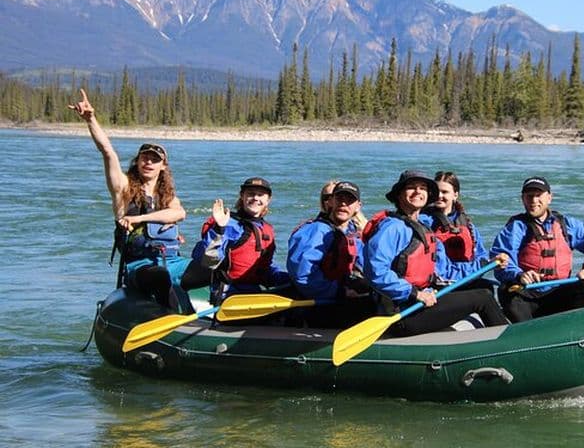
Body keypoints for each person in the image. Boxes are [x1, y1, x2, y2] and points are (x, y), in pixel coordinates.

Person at [68, 88, 208, 312]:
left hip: (174, 262)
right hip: (139, 266)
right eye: (145, 158)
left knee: (214, 270)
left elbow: (179, 213)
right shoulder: (122, 188)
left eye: (155, 160)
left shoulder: (168, 196)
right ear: (138, 161)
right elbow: (108, 152)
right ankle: (171, 317)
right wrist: (91, 119)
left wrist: (140, 219)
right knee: (159, 276)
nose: (149, 163)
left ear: (163, 166)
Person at [362, 170, 509, 336]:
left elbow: (446, 271)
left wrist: (486, 264)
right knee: (482, 298)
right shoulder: (392, 227)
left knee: (485, 290)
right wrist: (414, 293)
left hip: (419, 303)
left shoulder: (424, 230)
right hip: (399, 313)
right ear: (399, 194)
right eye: (411, 187)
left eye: (423, 188)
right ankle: (512, 344)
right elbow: (375, 271)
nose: (418, 192)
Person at [490, 176, 584, 322]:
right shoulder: (516, 227)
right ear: (522, 199)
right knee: (506, 290)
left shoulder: (566, 225)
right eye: (529, 196)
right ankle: (527, 334)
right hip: (527, 295)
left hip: (558, 294)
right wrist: (518, 275)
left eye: (538, 195)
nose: (534, 200)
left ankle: (573, 329)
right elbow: (501, 260)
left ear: (549, 198)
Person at [192, 177, 290, 305]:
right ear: (242, 196)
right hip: (228, 294)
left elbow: (266, 270)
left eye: (260, 195)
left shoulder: (266, 229)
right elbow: (208, 262)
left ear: (268, 200)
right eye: (251, 194)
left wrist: (291, 279)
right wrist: (219, 230)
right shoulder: (228, 223)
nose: (255, 198)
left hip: (253, 292)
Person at [287, 181, 373, 328]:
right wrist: (339, 292)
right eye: (340, 199)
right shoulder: (316, 231)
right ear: (331, 201)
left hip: (338, 293)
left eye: (349, 200)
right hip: (318, 302)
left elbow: (366, 264)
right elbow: (303, 275)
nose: (343, 204)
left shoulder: (350, 233)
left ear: (358, 206)